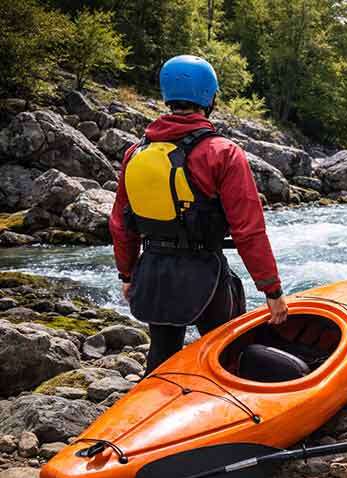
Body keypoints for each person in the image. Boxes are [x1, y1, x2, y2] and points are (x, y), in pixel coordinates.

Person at [109, 55, 288, 375]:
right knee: (230, 354)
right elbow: (249, 230)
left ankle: (154, 410)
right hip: (205, 275)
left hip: (152, 272)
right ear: (210, 96)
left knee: (161, 354)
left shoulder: (135, 152)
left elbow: (121, 224)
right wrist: (271, 290)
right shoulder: (222, 152)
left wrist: (127, 273)